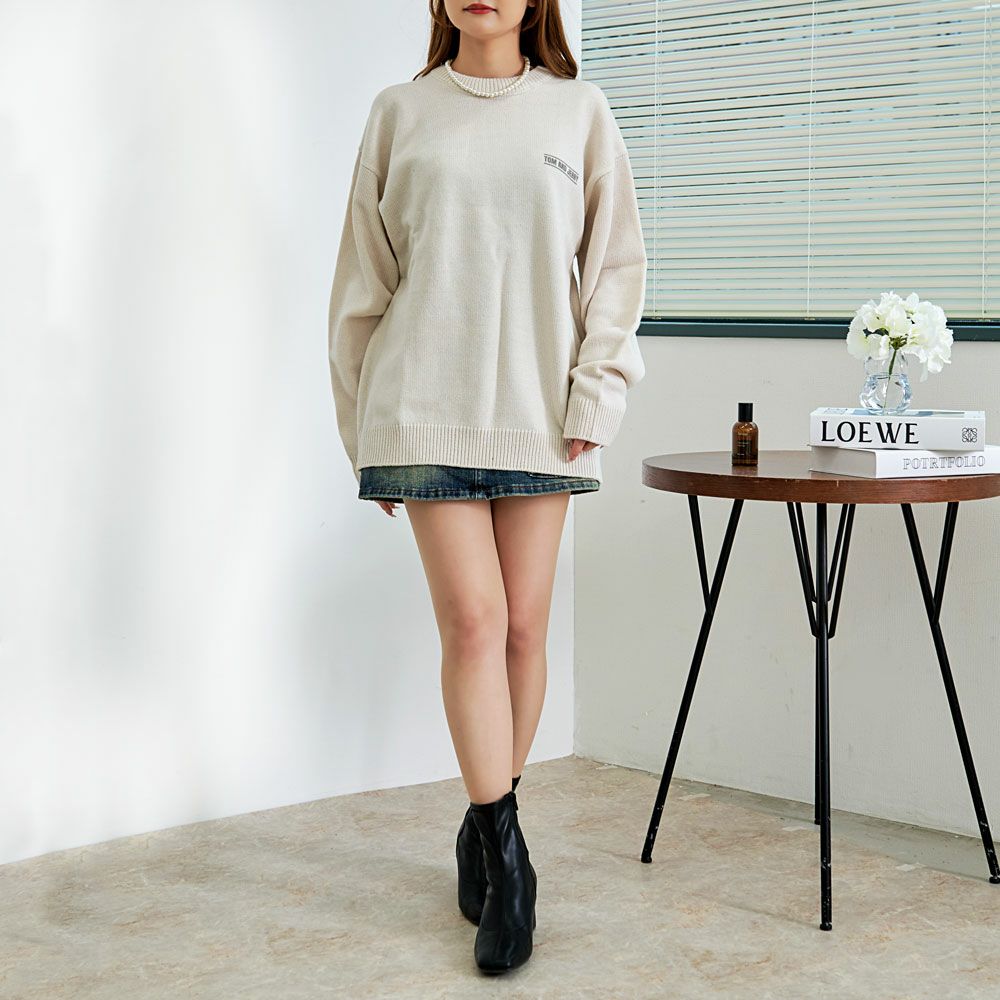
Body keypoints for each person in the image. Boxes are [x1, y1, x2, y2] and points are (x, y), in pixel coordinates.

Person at [327, 0, 646, 976]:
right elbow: (361, 283)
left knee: (522, 630)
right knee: (473, 622)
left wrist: (598, 390)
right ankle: (508, 864)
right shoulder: (399, 112)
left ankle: (482, 818)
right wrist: (362, 431)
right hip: (422, 410)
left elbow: (616, 265)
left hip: (542, 417)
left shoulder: (578, 111)